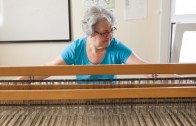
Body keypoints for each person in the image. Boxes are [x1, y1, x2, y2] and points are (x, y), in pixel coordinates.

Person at [17, 6, 171, 80]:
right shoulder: (76, 48)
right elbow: (46, 70)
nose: (110, 36)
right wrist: (14, 83)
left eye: (112, 30)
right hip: (83, 102)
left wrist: (182, 79)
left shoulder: (116, 47)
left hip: (111, 104)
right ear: (90, 33)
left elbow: (147, 69)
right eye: (104, 33)